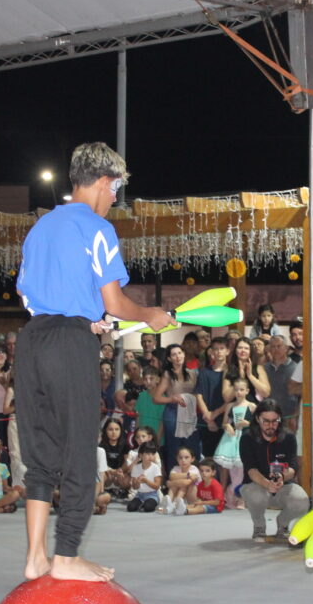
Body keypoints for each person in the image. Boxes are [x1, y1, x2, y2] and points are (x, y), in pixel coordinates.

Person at [15, 141, 172, 581]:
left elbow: (30, 295)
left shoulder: (41, 227)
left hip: (32, 340)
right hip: (68, 344)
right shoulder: (98, 228)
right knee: (81, 450)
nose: (115, 196)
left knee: (41, 451)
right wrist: (151, 316)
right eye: (117, 187)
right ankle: (65, 555)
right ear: (105, 181)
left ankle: (35, 556)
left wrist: (86, 321)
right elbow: (117, 302)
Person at [239, 398, 309, 540]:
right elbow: (250, 469)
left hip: (283, 485)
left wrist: (283, 477)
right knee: (256, 496)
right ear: (258, 419)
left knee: (302, 501)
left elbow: (293, 466)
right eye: (266, 421)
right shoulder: (247, 438)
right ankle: (259, 526)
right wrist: (267, 484)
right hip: (256, 485)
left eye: (274, 421)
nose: (270, 425)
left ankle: (282, 523)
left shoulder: (289, 437)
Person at [153, 344, 207, 472]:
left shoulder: (193, 373)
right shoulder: (167, 374)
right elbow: (156, 398)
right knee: (174, 448)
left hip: (189, 413)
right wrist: (172, 398)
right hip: (173, 413)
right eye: (174, 354)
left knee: (192, 448)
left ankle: (194, 478)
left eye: (179, 353)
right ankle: (173, 478)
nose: (178, 357)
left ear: (184, 354)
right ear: (169, 359)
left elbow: (199, 394)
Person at [214, 376, 255, 508]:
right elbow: (224, 423)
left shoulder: (251, 406)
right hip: (232, 440)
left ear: (247, 391)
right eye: (236, 389)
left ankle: (240, 497)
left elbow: (258, 424)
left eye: (241, 389)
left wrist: (247, 423)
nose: (238, 392)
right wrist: (228, 426)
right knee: (233, 469)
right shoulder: (230, 405)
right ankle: (232, 496)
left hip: (246, 439)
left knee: (243, 469)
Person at [163, 445, 201, 516]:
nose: (183, 460)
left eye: (186, 457)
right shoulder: (176, 468)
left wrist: (171, 483)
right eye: (180, 458)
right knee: (175, 486)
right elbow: (171, 476)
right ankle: (169, 503)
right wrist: (188, 475)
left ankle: (176, 503)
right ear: (177, 459)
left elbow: (186, 482)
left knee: (183, 484)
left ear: (192, 459)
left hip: (192, 498)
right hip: (183, 498)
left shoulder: (194, 469)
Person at [126, 439, 162, 512]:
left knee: (148, 507)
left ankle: (148, 504)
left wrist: (146, 481)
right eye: (148, 454)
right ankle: (141, 504)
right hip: (139, 495)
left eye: (152, 454)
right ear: (141, 455)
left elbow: (157, 486)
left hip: (152, 495)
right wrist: (137, 482)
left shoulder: (156, 468)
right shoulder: (136, 468)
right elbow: (134, 487)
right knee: (130, 508)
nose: (150, 456)